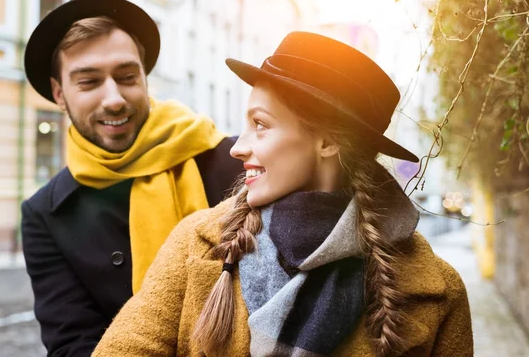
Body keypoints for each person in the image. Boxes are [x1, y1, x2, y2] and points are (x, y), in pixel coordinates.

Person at [92, 32, 473, 357]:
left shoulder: (438, 290)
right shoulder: (194, 243)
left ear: (327, 141)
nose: (237, 147)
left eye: (261, 124)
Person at [21, 0, 243, 356]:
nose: (114, 98)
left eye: (126, 76)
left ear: (143, 77)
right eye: (89, 82)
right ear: (59, 94)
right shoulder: (46, 214)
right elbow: (72, 344)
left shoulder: (231, 159)